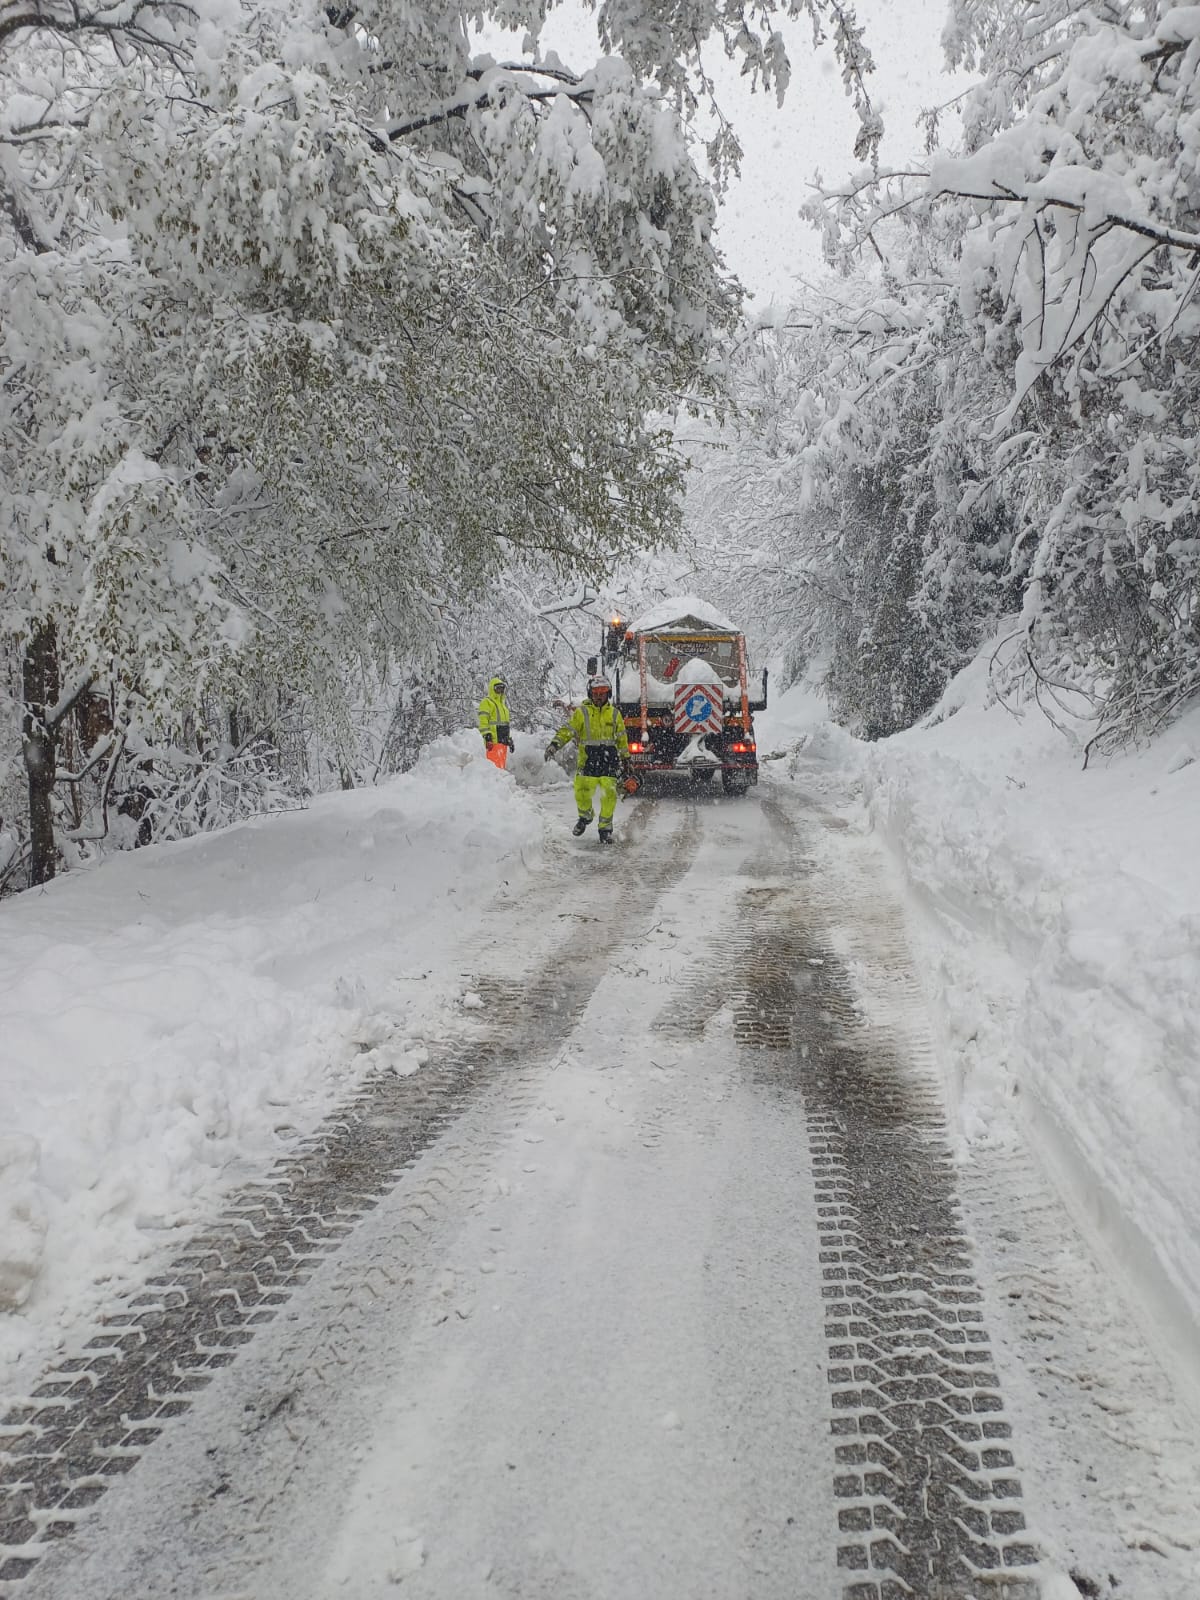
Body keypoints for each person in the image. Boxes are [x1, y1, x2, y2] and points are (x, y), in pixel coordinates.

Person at [544, 674, 630, 845]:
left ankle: (605, 830)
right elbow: (567, 730)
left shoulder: (614, 714)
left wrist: (626, 758)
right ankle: (585, 816)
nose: (599, 696)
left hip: (609, 762)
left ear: (608, 694)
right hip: (588, 761)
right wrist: (554, 745)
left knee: (609, 795)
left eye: (603, 692)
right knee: (581, 793)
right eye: (596, 692)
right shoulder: (581, 713)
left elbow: (621, 738)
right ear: (590, 694)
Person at [478, 675, 514, 770]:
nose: (500, 691)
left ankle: (501, 783)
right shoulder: (487, 702)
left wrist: (509, 740)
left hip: (503, 741)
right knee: (494, 768)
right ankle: (494, 783)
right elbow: (483, 721)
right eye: (498, 688)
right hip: (493, 741)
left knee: (501, 766)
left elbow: (505, 724)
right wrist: (487, 736)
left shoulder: (503, 706)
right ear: (492, 689)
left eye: (502, 689)